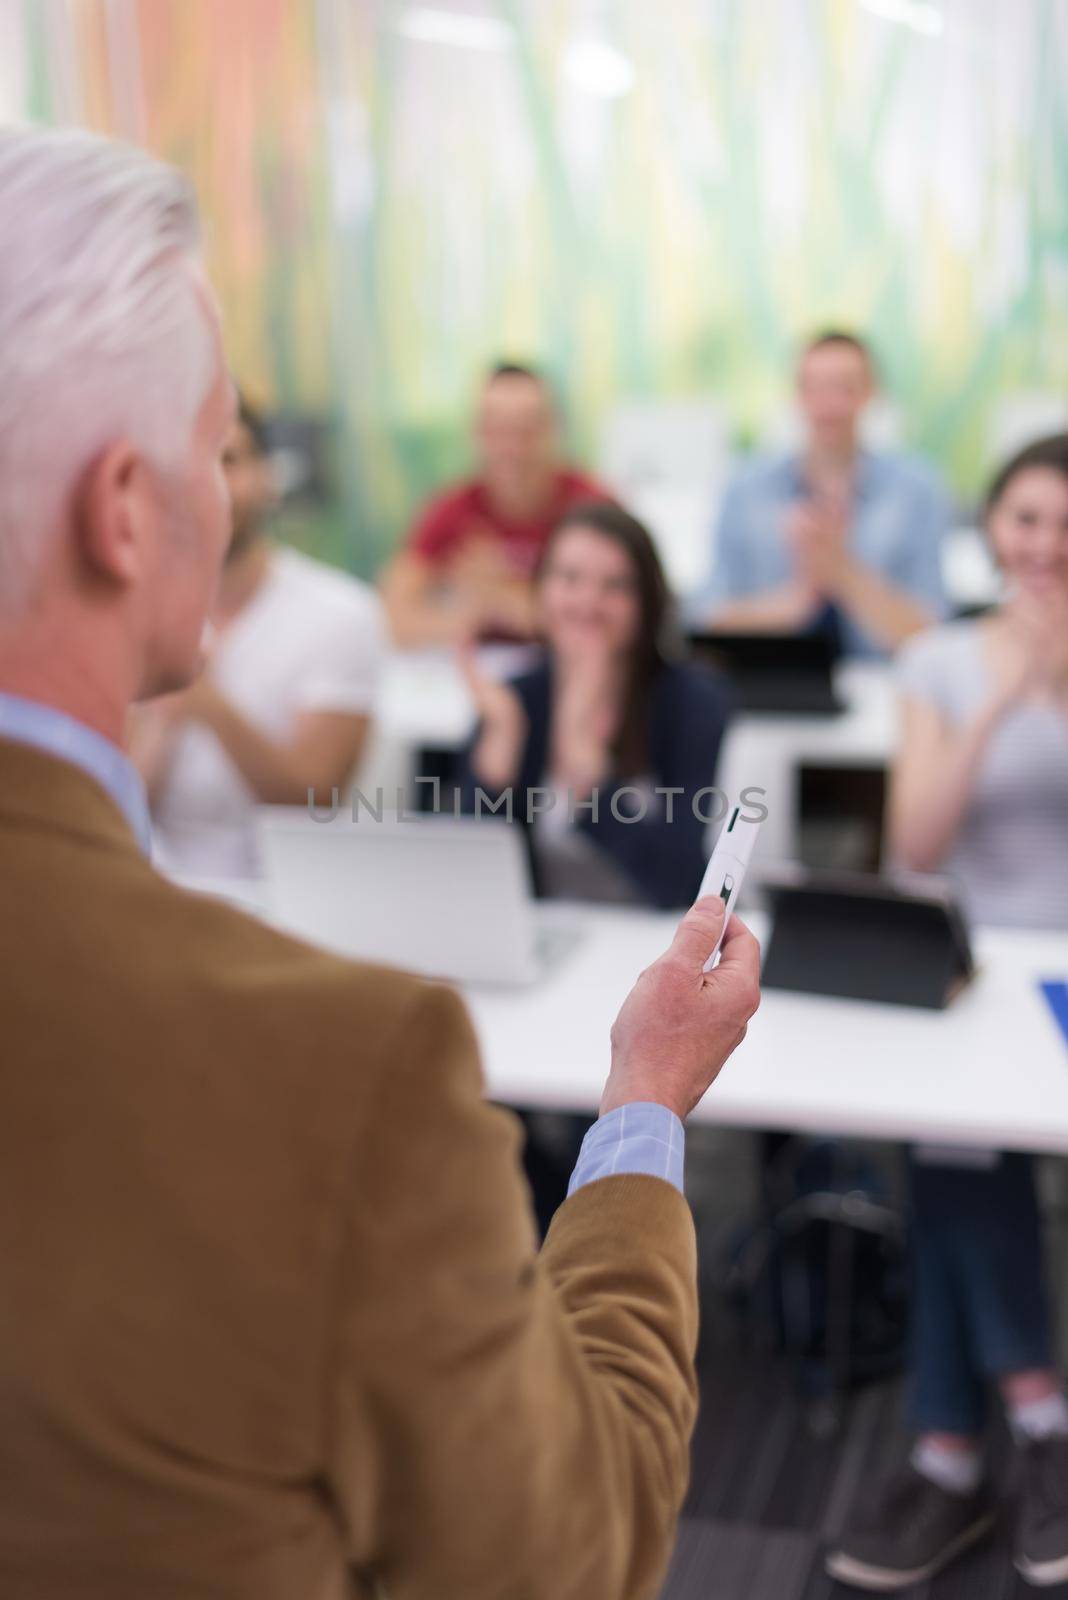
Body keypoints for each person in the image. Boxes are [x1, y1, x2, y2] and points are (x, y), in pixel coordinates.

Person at [0, 127, 762, 1600]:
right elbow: (576, 1551)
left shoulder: (668, 698)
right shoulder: (342, 1070)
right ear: (126, 509)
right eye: (224, 447)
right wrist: (649, 1107)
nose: (242, 493)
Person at [827, 434, 1068, 1592]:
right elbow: (917, 843)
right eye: (1028, 520)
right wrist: (1002, 706)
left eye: (1067, 526)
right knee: (959, 1146)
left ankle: (946, 1449)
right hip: (971, 970)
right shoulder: (936, 660)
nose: (1048, 547)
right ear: (991, 529)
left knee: (951, 1163)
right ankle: (1034, 1416)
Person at [132, 394, 386, 877]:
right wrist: (161, 722)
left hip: (287, 897)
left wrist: (206, 703)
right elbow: (114, 805)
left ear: (270, 477)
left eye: (230, 460)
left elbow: (315, 799)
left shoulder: (341, 614)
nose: (213, 485)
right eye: (196, 464)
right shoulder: (136, 610)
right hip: (157, 890)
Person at [459, 500, 735, 910]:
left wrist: (593, 782)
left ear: (647, 602)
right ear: (541, 590)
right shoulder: (516, 700)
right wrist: (497, 761)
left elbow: (679, 883)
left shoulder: (693, 701)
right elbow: (470, 887)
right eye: (569, 579)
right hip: (547, 940)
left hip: (655, 940)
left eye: (615, 586)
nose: (588, 602)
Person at [700, 331, 950, 656]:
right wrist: (797, 601)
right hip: (770, 686)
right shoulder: (745, 490)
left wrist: (843, 572)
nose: (829, 405)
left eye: (845, 388)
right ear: (797, 394)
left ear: (871, 394)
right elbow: (708, 619)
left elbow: (933, 635)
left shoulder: (916, 491)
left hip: (880, 684)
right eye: (815, 388)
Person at [380, 361, 611, 646]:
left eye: (526, 430)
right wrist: (470, 618)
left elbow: (611, 618)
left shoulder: (594, 509)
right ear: (477, 433)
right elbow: (394, 616)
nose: (511, 448)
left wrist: (499, 595)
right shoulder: (454, 510)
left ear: (554, 429)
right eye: (496, 430)